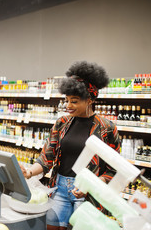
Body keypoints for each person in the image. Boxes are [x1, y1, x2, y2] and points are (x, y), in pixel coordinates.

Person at [20, 61, 121, 230]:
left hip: (88, 194)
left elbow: (113, 169)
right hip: (59, 188)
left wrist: (90, 185)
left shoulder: (107, 128)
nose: (67, 106)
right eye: (66, 100)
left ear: (90, 99)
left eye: (74, 101)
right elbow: (47, 157)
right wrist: (29, 172)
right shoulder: (62, 123)